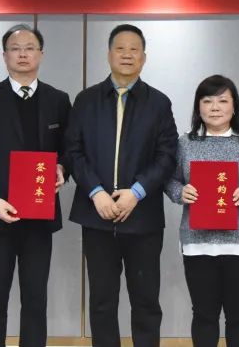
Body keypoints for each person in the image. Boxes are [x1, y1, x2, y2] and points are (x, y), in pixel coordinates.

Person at [64, 24, 178, 347]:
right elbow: (73, 151)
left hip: (142, 218)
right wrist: (96, 192)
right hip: (96, 215)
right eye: (120, 48)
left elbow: (167, 155)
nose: (127, 55)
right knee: (102, 302)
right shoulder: (86, 100)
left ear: (144, 57)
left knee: (146, 301)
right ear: (109, 54)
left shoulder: (159, 103)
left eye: (134, 49)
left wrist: (137, 192)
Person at [0, 24, 72, 347]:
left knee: (35, 299)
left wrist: (63, 168)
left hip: (39, 215)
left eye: (29, 48)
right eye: (15, 48)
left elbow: (70, 149)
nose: (23, 54)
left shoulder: (58, 99)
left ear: (41, 54)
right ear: (4, 55)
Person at [165, 75, 239, 347]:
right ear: (198, 107)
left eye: (223, 101)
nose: (215, 107)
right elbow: (170, 179)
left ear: (234, 106)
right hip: (198, 243)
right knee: (204, 314)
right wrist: (180, 192)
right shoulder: (184, 143)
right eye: (207, 101)